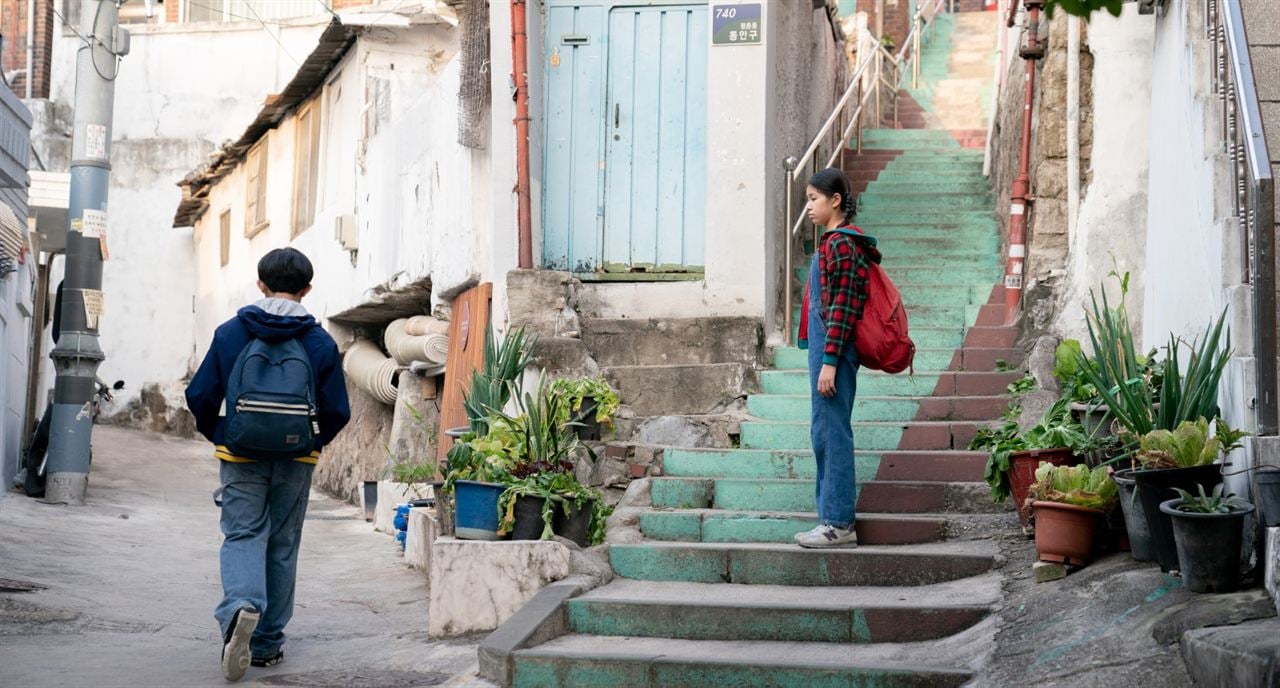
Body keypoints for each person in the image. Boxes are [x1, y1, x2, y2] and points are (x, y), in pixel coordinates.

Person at [185, 248, 350, 681]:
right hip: (297, 457)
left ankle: (241, 604)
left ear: (260, 284)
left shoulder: (230, 332)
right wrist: (313, 443)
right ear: (307, 289)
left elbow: (200, 396)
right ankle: (267, 644)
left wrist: (219, 432)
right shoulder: (318, 341)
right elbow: (337, 410)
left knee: (242, 534)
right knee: (282, 543)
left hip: (240, 454)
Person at [793, 168, 880, 549]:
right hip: (828, 349)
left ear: (836, 200)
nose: (808, 207)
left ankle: (838, 523)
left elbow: (843, 306)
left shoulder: (842, 245)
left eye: (813, 199)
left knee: (832, 433)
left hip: (835, 351)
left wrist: (829, 360)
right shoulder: (831, 243)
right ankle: (829, 518)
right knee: (823, 433)